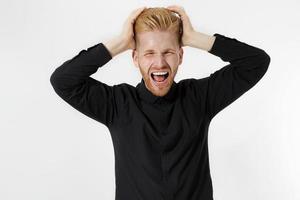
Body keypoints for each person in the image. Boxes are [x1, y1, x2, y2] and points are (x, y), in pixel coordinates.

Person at [50, 5, 270, 200]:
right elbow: (63, 81)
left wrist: (194, 38)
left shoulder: (200, 98)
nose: (159, 62)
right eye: (149, 53)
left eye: (168, 52)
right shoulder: (117, 105)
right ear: (135, 58)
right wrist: (119, 43)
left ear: (181, 56)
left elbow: (256, 62)